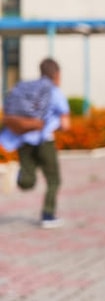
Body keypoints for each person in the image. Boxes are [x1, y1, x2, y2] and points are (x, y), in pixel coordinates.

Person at [0, 58, 71, 229]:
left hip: (23, 138)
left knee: (28, 182)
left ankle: (21, 176)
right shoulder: (54, 91)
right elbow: (66, 124)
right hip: (44, 140)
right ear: (57, 74)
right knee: (53, 179)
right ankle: (48, 215)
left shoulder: (26, 87)